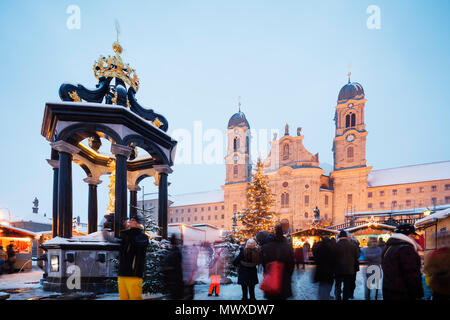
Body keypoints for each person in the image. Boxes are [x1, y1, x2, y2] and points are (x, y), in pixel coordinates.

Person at [382, 223, 423, 300]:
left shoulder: (389, 247)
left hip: (389, 290)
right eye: (413, 236)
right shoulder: (406, 249)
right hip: (403, 293)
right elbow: (411, 275)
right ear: (409, 235)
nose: (414, 238)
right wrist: (418, 294)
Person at [117, 216, 149, 300]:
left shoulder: (142, 237)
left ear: (138, 223)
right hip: (122, 272)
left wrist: (127, 233)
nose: (130, 222)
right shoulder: (125, 235)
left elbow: (137, 244)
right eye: (129, 220)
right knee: (123, 298)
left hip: (134, 273)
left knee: (135, 297)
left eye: (133, 220)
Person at [260, 225, 294, 300]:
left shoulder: (266, 246)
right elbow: (291, 264)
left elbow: (263, 263)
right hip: (284, 279)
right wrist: (288, 275)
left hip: (270, 278)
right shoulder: (287, 246)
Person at [334, 230, 360, 300]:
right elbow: (357, 256)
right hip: (349, 269)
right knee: (347, 285)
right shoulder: (353, 246)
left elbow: (332, 257)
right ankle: (345, 298)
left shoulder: (335, 245)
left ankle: (338, 297)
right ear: (346, 236)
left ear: (339, 237)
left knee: (338, 284)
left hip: (338, 269)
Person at [162, 234, 184, 299]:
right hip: (178, 282)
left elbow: (168, 267)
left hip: (172, 282)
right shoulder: (178, 253)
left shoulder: (171, 254)